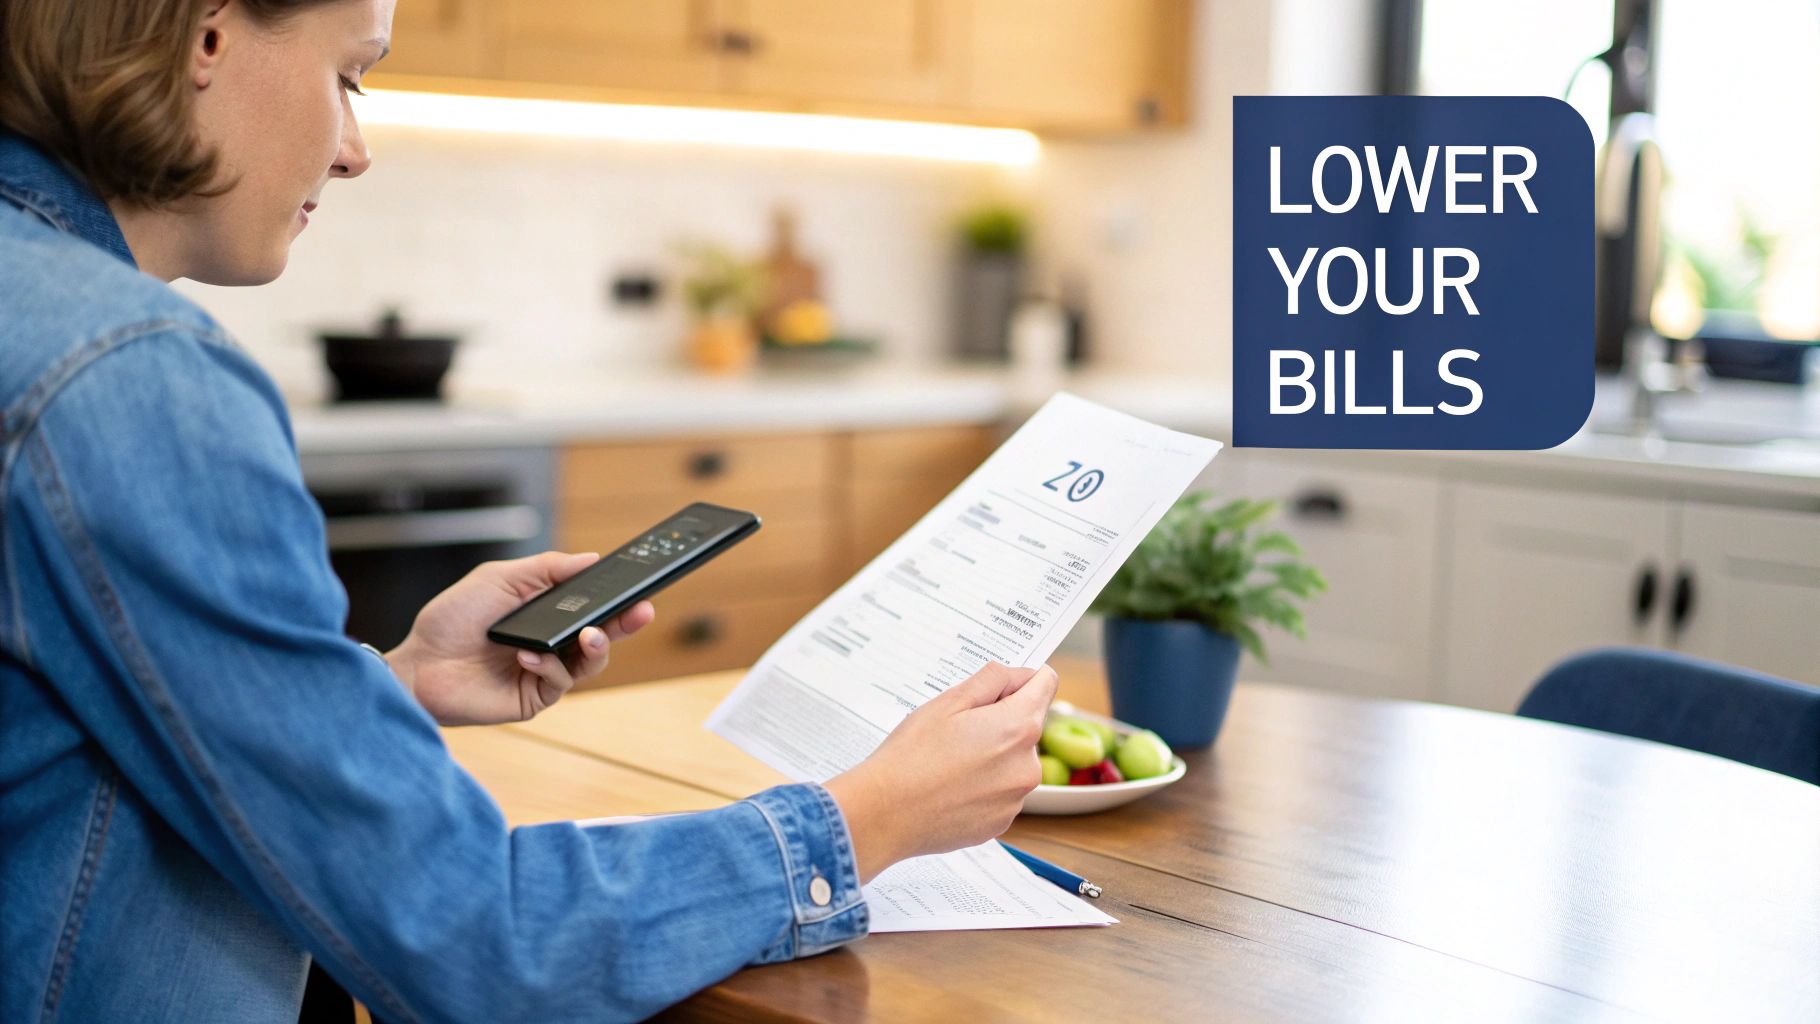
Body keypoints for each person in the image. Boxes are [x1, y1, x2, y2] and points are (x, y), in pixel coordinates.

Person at [0, 1, 1057, 1020]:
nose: (354, 148)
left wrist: (388, 687)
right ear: (209, 32)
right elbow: (473, 936)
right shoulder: (128, 377)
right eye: (349, 74)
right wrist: (869, 816)